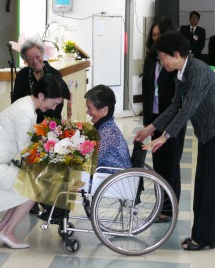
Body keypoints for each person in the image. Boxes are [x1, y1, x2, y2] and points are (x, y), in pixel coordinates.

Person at [134, 31, 215, 251]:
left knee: (208, 187)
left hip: (213, 133)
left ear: (176, 54)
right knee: (203, 185)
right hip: (208, 133)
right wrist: (150, 128)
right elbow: (174, 106)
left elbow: (188, 108)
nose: (161, 61)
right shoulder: (182, 72)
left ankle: (204, 238)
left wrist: (165, 136)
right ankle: (203, 235)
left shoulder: (198, 71)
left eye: (162, 57)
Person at [0, 75, 65, 249]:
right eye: (54, 103)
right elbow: (25, 150)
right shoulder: (25, 111)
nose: (54, 107)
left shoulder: (26, 105)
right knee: (32, 189)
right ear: (42, 95)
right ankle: (7, 233)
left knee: (21, 190)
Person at [12, 37, 70, 215]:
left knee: (48, 166)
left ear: (43, 54)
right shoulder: (23, 76)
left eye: (37, 57)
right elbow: (16, 101)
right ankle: (30, 201)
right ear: (25, 61)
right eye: (30, 59)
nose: (35, 62)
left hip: (50, 125)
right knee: (30, 164)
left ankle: (48, 201)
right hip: (30, 125)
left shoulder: (54, 74)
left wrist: (46, 119)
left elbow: (60, 101)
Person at [142, 17, 186, 223]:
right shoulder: (151, 58)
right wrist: (147, 122)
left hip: (173, 116)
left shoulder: (178, 62)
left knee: (171, 164)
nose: (156, 39)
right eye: (154, 36)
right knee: (159, 164)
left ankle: (169, 208)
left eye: (160, 35)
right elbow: (147, 88)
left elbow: (180, 100)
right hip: (155, 115)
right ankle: (161, 204)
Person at [85, 85, 132, 172]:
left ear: (104, 111)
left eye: (89, 108)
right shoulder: (107, 126)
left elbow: (89, 162)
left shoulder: (107, 134)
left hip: (114, 181)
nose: (87, 112)